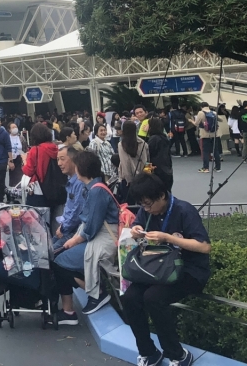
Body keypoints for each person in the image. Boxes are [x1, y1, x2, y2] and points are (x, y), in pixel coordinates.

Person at [123, 173, 211, 366]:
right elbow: (137, 223)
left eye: (148, 204)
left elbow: (204, 246)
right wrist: (135, 230)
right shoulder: (148, 210)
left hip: (189, 270)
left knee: (153, 298)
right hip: (158, 269)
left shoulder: (183, 210)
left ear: (162, 195)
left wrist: (168, 238)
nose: (146, 209)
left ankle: (178, 355)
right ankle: (148, 352)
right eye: (142, 205)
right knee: (129, 298)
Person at [52, 151, 120, 324]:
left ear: (81, 168)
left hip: (102, 240)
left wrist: (73, 240)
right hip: (97, 237)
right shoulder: (94, 187)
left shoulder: (96, 191)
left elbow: (90, 227)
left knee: (59, 263)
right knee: (61, 259)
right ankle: (89, 295)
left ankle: (96, 293)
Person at [21, 122, 59, 209]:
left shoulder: (35, 150)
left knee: (36, 219)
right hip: (55, 188)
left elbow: (28, 171)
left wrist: (24, 160)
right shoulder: (54, 148)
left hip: (39, 189)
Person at [55, 147, 84, 250]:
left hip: (73, 232)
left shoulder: (79, 182)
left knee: (49, 256)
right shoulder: (71, 179)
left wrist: (63, 228)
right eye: (58, 159)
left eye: (62, 159)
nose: (59, 163)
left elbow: (77, 213)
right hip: (66, 228)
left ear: (74, 160)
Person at [117, 120, 149, 204]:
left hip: (127, 181)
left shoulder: (122, 145)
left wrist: (129, 180)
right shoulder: (143, 143)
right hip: (142, 178)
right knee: (142, 204)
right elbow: (148, 161)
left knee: (129, 206)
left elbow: (125, 164)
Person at [145, 117, 174, 193]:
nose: (145, 126)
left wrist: (146, 169)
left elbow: (148, 155)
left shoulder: (153, 139)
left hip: (157, 170)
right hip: (166, 169)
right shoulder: (164, 138)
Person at [193, 103, 220, 173]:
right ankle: (218, 167)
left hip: (205, 134)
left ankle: (206, 168)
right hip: (214, 134)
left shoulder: (201, 113)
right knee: (215, 151)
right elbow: (219, 121)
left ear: (201, 107)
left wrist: (191, 121)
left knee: (205, 151)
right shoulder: (214, 113)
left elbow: (196, 123)